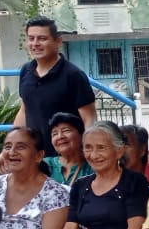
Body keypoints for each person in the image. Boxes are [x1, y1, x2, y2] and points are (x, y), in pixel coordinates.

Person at [14, 16, 96, 155]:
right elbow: (24, 110)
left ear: (58, 41)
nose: (35, 44)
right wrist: (11, 147)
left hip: (66, 157)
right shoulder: (26, 71)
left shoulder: (73, 75)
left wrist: (86, 153)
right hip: (35, 156)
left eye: (42, 38)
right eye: (31, 38)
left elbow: (89, 119)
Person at [43, 112, 89, 185]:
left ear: (82, 135)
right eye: (54, 134)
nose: (60, 136)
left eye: (66, 131)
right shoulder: (45, 164)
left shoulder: (92, 165)